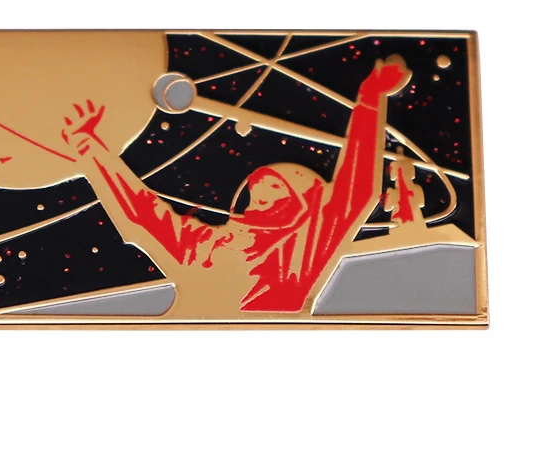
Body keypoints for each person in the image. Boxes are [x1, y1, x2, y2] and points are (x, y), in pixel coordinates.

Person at [61, 55, 411, 313]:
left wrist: (370, 102)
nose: (260, 192)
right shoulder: (202, 242)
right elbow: (140, 212)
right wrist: (89, 148)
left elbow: (356, 190)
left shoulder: (299, 250)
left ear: (301, 201)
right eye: (260, 184)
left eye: (275, 186)